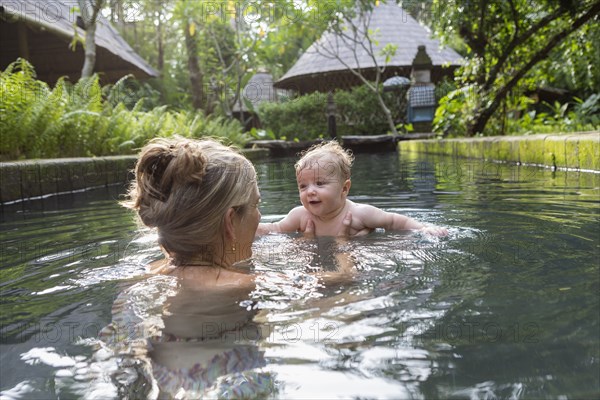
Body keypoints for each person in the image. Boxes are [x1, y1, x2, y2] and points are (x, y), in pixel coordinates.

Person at [257, 140, 448, 237]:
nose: (310, 191)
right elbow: (275, 229)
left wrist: (424, 229)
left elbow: (394, 221)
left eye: (320, 183)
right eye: (303, 186)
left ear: (344, 188)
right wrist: (253, 229)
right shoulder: (300, 216)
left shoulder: (359, 214)